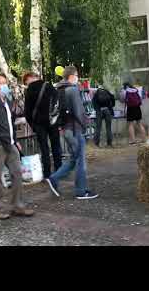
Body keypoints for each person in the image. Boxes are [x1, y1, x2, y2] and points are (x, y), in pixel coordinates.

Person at [0, 73, 35, 220]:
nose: (4, 86)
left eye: (5, 83)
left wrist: (15, 140)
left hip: (10, 144)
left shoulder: (7, 100)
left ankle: (18, 205)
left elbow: (9, 124)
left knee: (17, 173)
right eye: (0, 83)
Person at [45, 66, 98, 200]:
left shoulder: (58, 89)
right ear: (71, 76)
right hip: (75, 129)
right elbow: (79, 111)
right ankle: (81, 191)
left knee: (74, 159)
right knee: (80, 161)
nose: (78, 78)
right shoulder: (73, 90)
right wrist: (87, 125)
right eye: (76, 76)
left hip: (66, 130)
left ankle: (54, 179)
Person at [23, 71, 62, 178]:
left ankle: (47, 172)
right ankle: (59, 169)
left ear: (29, 78)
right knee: (56, 145)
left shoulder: (29, 90)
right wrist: (56, 119)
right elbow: (57, 103)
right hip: (52, 121)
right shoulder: (49, 86)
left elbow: (27, 111)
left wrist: (33, 125)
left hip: (39, 124)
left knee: (44, 148)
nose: (26, 83)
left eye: (26, 81)